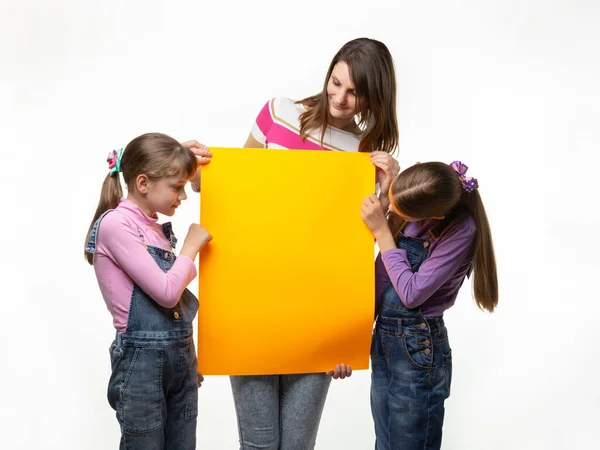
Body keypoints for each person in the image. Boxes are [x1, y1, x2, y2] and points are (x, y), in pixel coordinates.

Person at [232, 37, 400, 450]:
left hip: (317, 316)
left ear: (373, 99)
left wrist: (392, 185)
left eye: (355, 92)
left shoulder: (364, 154)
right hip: (256, 302)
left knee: (297, 446)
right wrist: (193, 164)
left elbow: (378, 241)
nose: (340, 98)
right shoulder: (278, 113)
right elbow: (235, 189)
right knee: (258, 445)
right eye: (336, 82)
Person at [84, 132, 212, 449]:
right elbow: (167, 293)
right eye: (176, 187)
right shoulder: (116, 224)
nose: (183, 196)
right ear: (143, 184)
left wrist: (185, 361)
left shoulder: (153, 226)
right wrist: (190, 248)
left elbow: (174, 304)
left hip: (179, 355)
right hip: (141, 362)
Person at [360, 161, 498, 450]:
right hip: (384, 338)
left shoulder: (461, 229)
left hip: (416, 347)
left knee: (410, 444)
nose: (393, 213)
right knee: (384, 442)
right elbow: (382, 277)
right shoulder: (416, 193)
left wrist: (383, 233)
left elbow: (411, 293)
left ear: (434, 216)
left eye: (399, 211)